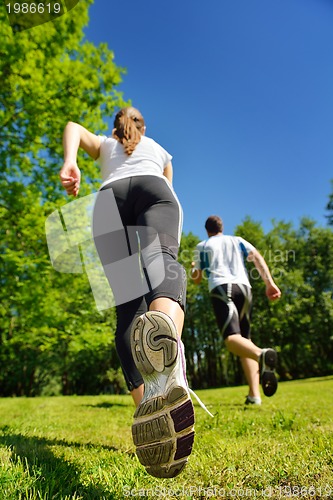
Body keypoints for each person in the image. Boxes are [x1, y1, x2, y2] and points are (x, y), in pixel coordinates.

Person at [59, 107, 194, 478]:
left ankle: (149, 407)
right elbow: (169, 180)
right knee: (160, 262)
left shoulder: (104, 145)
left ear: (115, 126)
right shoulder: (157, 148)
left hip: (108, 200)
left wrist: (71, 161)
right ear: (142, 126)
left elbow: (73, 126)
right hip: (154, 191)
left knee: (127, 304)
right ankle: (165, 329)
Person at [191, 215, 281, 405]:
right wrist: (269, 283)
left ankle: (262, 355)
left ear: (207, 230)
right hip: (245, 288)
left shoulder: (202, 246)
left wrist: (193, 268)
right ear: (221, 227)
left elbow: (197, 279)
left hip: (222, 288)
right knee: (244, 342)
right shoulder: (237, 240)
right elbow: (256, 256)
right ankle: (254, 396)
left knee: (232, 340)